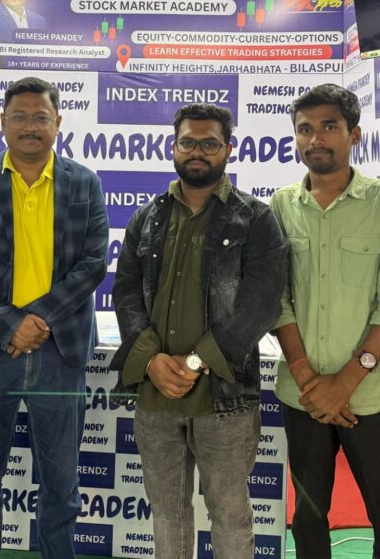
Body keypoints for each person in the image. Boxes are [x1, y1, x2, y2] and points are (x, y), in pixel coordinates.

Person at [111, 103, 288, 559]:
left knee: (230, 514)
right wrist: (151, 360)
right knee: (167, 513)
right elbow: (126, 291)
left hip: (224, 398)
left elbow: (262, 304)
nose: (197, 152)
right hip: (155, 395)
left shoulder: (256, 219)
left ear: (229, 149)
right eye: (188, 142)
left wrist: (194, 362)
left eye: (210, 143)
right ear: (173, 147)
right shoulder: (147, 218)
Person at [0, 76, 108, 559]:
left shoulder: (85, 181)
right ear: (3, 121)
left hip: (59, 352)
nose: (30, 126)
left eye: (40, 117)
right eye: (19, 116)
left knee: (61, 484)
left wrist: (36, 321)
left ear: (58, 123)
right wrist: (9, 323)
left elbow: (93, 263)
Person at [269, 85, 380, 559]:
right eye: (305, 129)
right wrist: (308, 378)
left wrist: (344, 383)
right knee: (308, 516)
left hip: (371, 396)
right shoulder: (281, 205)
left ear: (354, 134)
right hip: (302, 395)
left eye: (329, 126)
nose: (316, 139)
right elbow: (277, 301)